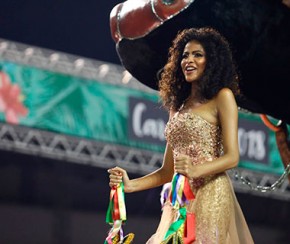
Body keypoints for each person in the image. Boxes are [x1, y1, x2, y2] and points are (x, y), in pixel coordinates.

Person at [108, 27, 254, 243]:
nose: (189, 60)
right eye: (185, 55)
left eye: (198, 55)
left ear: (211, 61)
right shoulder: (177, 107)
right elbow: (167, 171)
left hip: (211, 192)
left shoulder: (222, 97)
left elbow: (232, 157)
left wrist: (196, 170)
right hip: (178, 198)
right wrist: (131, 185)